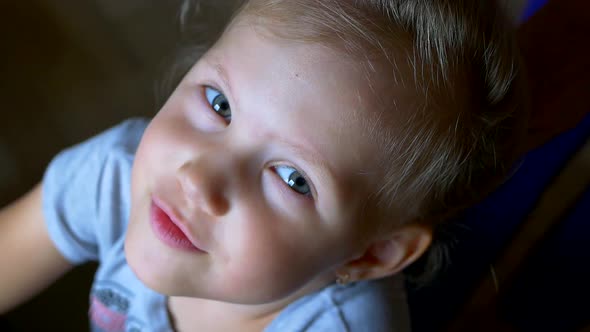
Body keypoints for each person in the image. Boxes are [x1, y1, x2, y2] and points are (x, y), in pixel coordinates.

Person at [0, 0, 528, 331]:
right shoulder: (116, 175)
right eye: (219, 103)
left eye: (293, 178)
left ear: (371, 253)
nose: (199, 178)